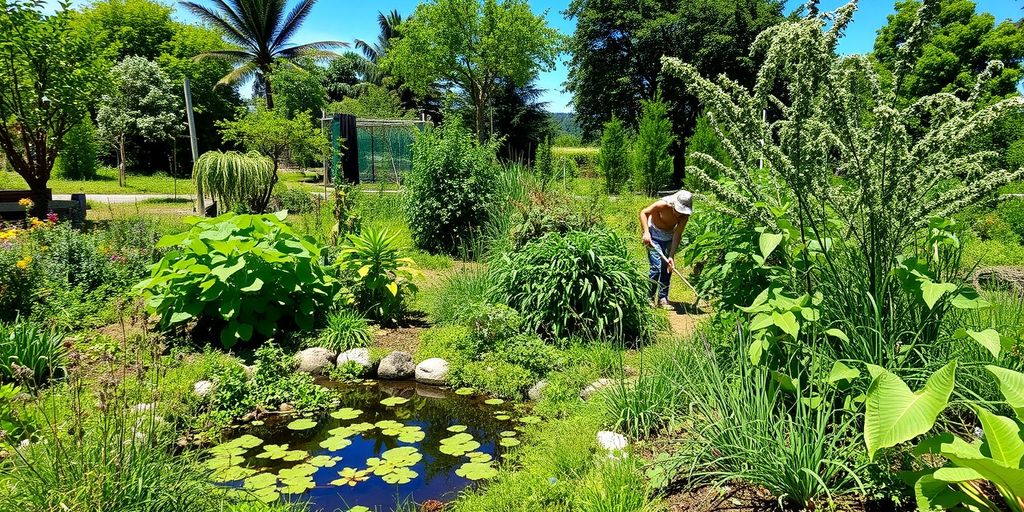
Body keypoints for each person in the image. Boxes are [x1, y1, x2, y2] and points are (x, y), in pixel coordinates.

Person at [639, 190, 692, 307]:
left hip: (668, 239)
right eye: (678, 210)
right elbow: (644, 213)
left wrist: (671, 256)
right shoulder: (662, 204)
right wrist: (646, 233)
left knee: (667, 268)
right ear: (674, 205)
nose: (679, 214)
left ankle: (663, 298)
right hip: (653, 237)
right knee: (656, 268)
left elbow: (677, 235)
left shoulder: (684, 217)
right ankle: (649, 298)